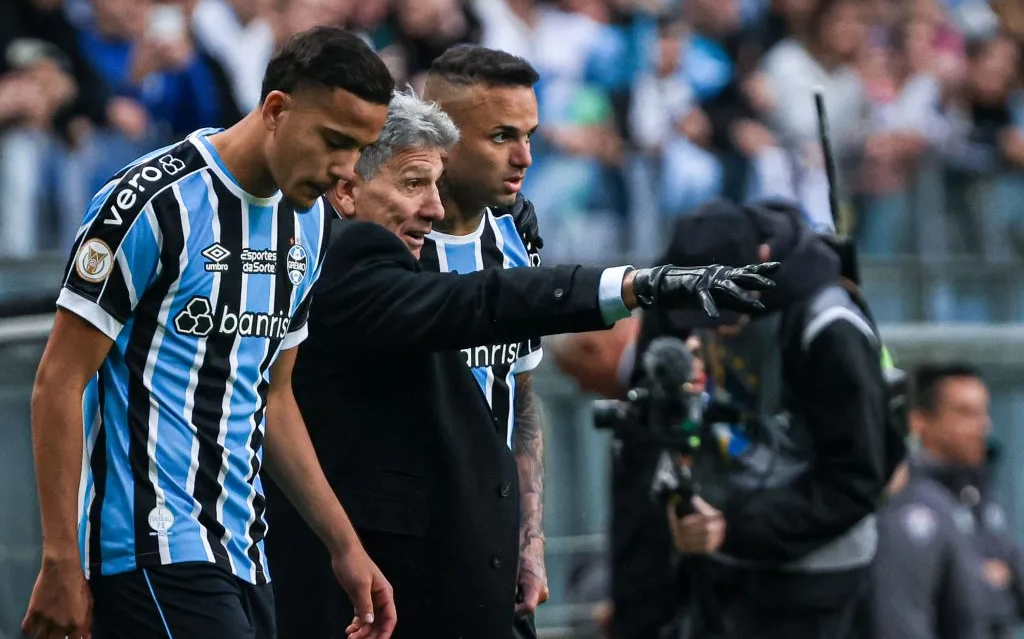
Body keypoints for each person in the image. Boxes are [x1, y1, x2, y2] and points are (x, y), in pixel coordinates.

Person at [264, 89, 777, 639]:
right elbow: (485, 301)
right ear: (347, 189)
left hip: (461, 577)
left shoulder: (478, 242)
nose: (433, 207)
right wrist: (635, 284)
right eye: (414, 184)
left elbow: (516, 392)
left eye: (436, 184)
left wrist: (525, 544)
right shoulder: (345, 261)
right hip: (374, 598)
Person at [21, 26, 398, 639]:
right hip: (147, 546)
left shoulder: (306, 227)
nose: (343, 171)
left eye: (359, 149)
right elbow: (58, 379)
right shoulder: (151, 202)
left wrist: (345, 545)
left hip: (243, 553)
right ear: (276, 109)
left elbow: (272, 398)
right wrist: (61, 558)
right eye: (334, 141)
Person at [649, 200, 898, 639]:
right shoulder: (689, 297)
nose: (715, 328)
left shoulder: (829, 330)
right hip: (721, 556)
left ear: (761, 259)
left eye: (725, 310)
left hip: (813, 574)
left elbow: (857, 480)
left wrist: (733, 528)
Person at [418, 44, 547, 635]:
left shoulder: (518, 234)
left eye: (529, 134)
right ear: (442, 138)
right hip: (406, 546)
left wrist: (531, 539)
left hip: (491, 546)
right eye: (501, 137)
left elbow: (521, 394)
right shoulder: (380, 241)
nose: (524, 157)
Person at [873, 363, 1023, 639]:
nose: (983, 425)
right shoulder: (909, 506)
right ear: (919, 421)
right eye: (966, 413)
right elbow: (902, 621)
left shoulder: (977, 490)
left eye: (983, 412)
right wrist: (986, 581)